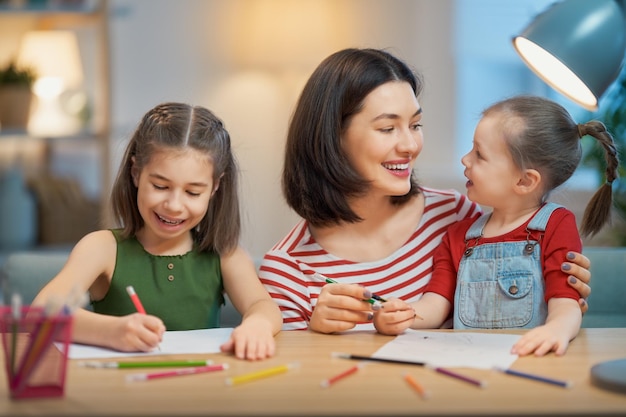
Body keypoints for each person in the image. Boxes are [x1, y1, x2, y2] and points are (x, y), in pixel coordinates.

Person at [259, 48, 592, 333]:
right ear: (332, 137)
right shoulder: (287, 268)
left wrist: (562, 295)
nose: (410, 145)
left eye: (415, 125)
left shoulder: (458, 216)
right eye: (388, 128)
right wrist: (314, 332)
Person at [32, 102, 282, 360]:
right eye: (160, 186)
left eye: (192, 192)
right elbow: (42, 312)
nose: (174, 206)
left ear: (215, 188)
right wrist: (111, 331)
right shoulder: (102, 248)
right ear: (136, 172)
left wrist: (257, 324)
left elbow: (262, 306)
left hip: (201, 389)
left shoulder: (224, 254)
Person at [373, 95, 619, 356]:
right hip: (468, 362)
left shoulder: (556, 225)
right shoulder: (457, 235)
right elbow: (436, 303)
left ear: (525, 181)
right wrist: (405, 314)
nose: (465, 160)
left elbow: (566, 303)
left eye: (479, 154)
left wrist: (557, 329)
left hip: (529, 360)